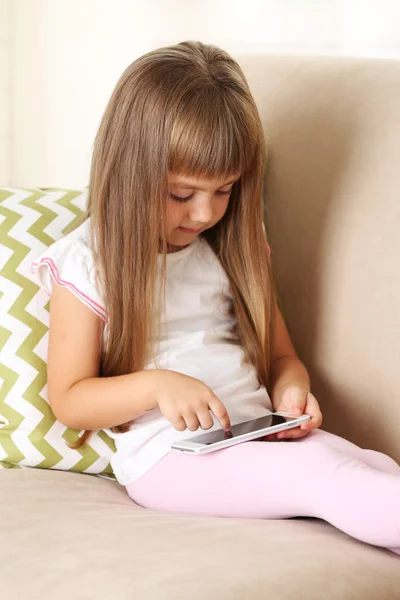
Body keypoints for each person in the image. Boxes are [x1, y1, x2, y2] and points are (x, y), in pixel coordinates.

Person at [31, 41, 400, 556]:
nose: (204, 214)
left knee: (375, 466)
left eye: (224, 190)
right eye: (182, 194)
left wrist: (291, 395)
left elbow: (281, 358)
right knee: (328, 475)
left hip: (253, 435)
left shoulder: (228, 251)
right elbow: (70, 399)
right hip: (170, 458)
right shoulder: (90, 262)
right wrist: (157, 386)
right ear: (130, 174)